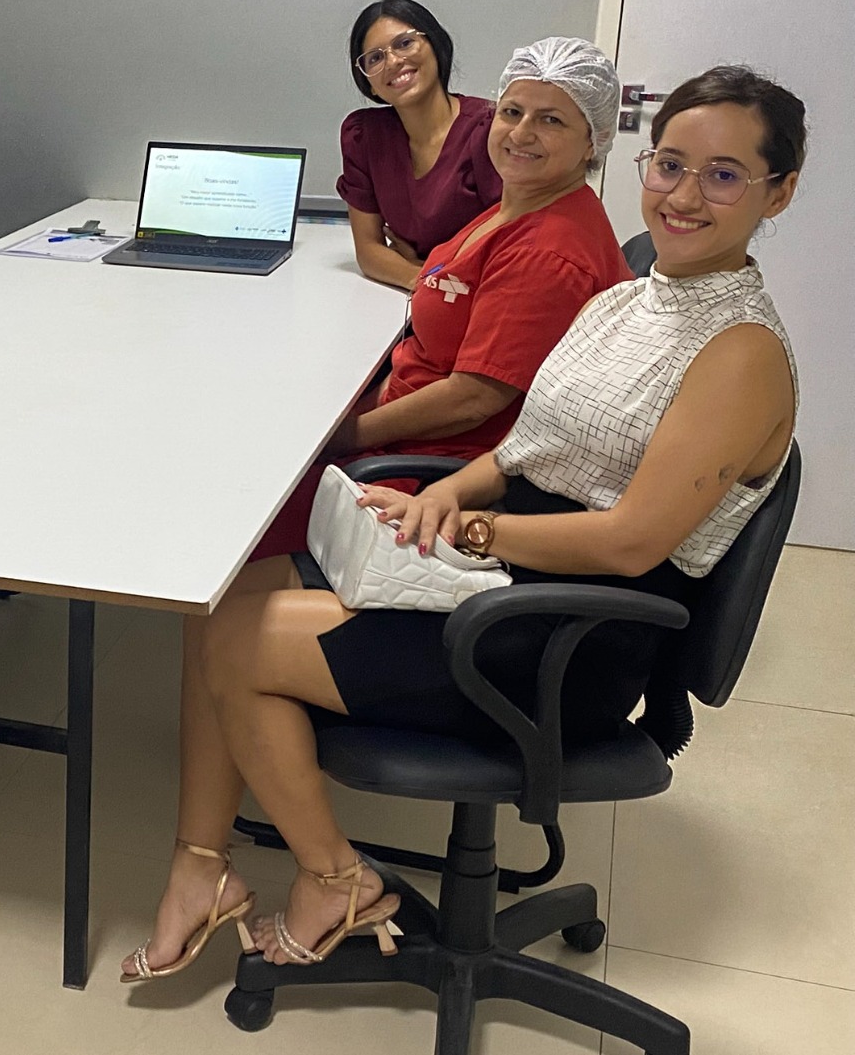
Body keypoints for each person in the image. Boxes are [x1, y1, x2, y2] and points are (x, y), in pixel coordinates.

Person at [122, 65, 802, 983]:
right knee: (234, 594)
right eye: (671, 164)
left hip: (569, 631)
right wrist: (453, 494)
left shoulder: (739, 351)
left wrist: (475, 533)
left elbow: (631, 542)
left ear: (780, 192)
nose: (683, 194)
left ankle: (335, 881)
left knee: (234, 637)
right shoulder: (634, 292)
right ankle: (211, 873)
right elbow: (532, 442)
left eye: (723, 175)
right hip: (511, 576)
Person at [250, 37, 632, 562]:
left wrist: (342, 436)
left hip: (434, 463)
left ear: (594, 141)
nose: (521, 133)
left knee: (247, 499)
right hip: (408, 423)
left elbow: (472, 400)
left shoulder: (548, 251)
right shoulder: (515, 208)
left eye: (551, 121)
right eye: (513, 111)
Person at [338, 0, 503, 291]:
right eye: (375, 58)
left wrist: (419, 267)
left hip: (486, 298)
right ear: (368, 82)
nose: (393, 62)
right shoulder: (364, 136)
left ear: (435, 45)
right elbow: (369, 253)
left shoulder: (489, 130)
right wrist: (425, 278)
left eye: (404, 43)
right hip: (416, 298)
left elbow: (507, 245)